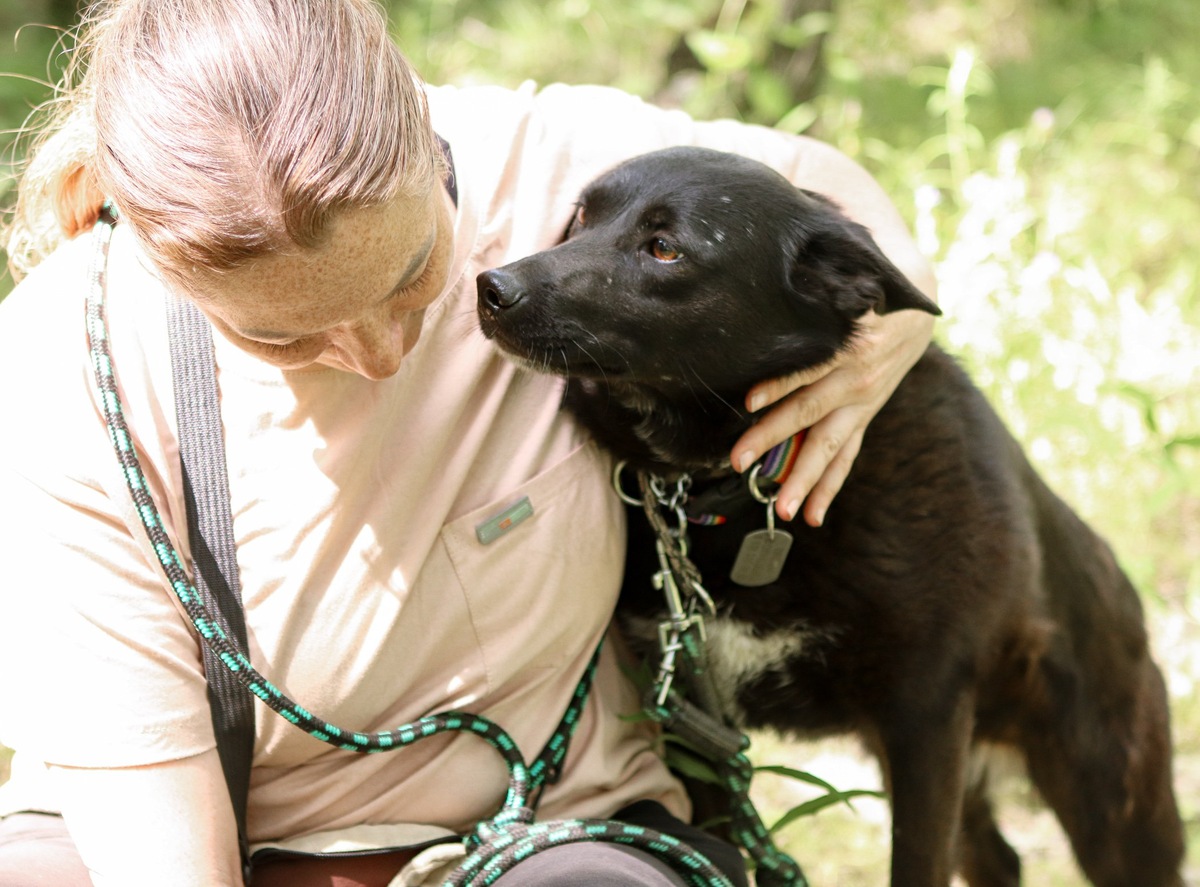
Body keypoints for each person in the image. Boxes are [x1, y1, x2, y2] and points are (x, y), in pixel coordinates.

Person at [0, 1, 937, 885]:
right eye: (284, 337)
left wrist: (880, 349)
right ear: (160, 265)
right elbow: (167, 859)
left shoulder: (548, 166)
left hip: (550, 831)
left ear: (424, 118)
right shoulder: (67, 371)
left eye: (413, 273)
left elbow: (819, 186)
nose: (379, 355)